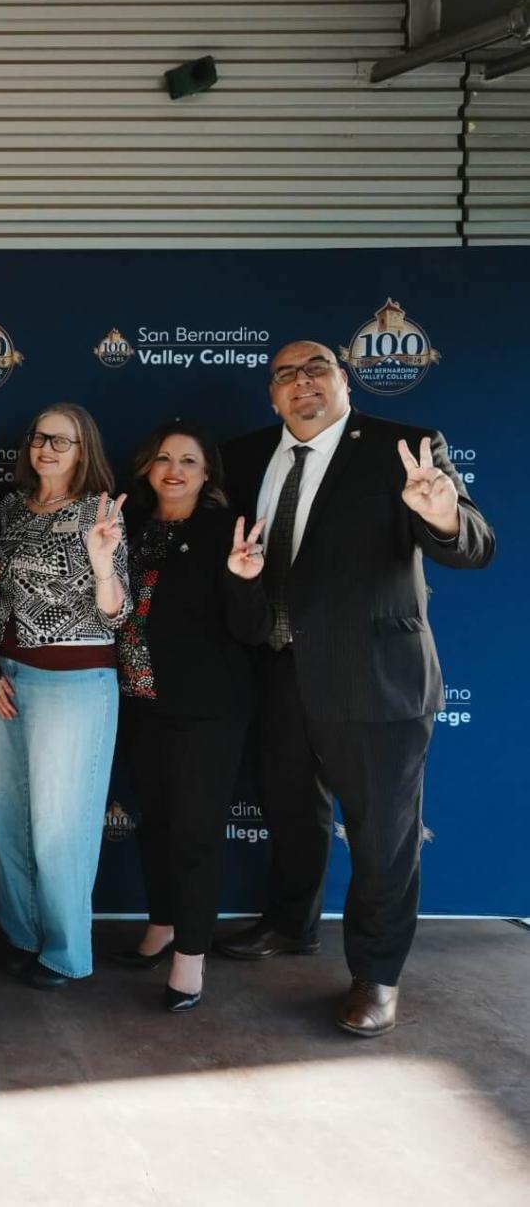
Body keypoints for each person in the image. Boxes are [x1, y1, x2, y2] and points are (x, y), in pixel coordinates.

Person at [215, 340, 493, 1036]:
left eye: (317, 369)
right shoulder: (243, 455)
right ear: (270, 394)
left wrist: (439, 514)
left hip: (374, 678)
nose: (301, 383)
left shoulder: (405, 447)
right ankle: (289, 922)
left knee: (381, 838)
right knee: (289, 811)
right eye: (285, 375)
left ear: (345, 380)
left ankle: (376, 974)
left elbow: (474, 544)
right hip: (277, 670)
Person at [112, 420, 270, 1011]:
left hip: (207, 710)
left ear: (207, 476)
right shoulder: (126, 527)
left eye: (188, 461)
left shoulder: (223, 532)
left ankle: (190, 959)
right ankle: (162, 923)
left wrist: (245, 581)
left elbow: (251, 630)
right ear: (147, 468)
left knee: (196, 835)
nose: (174, 469)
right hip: (138, 702)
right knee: (153, 821)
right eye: (163, 458)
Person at [0, 403, 129, 990]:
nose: (47, 448)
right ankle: (21, 934)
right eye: (39, 437)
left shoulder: (101, 512)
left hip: (74, 684)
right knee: (9, 812)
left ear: (83, 450)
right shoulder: (13, 507)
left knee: (62, 824)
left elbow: (112, 614)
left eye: (61, 441)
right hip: (9, 678)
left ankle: (66, 952)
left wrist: (101, 562)